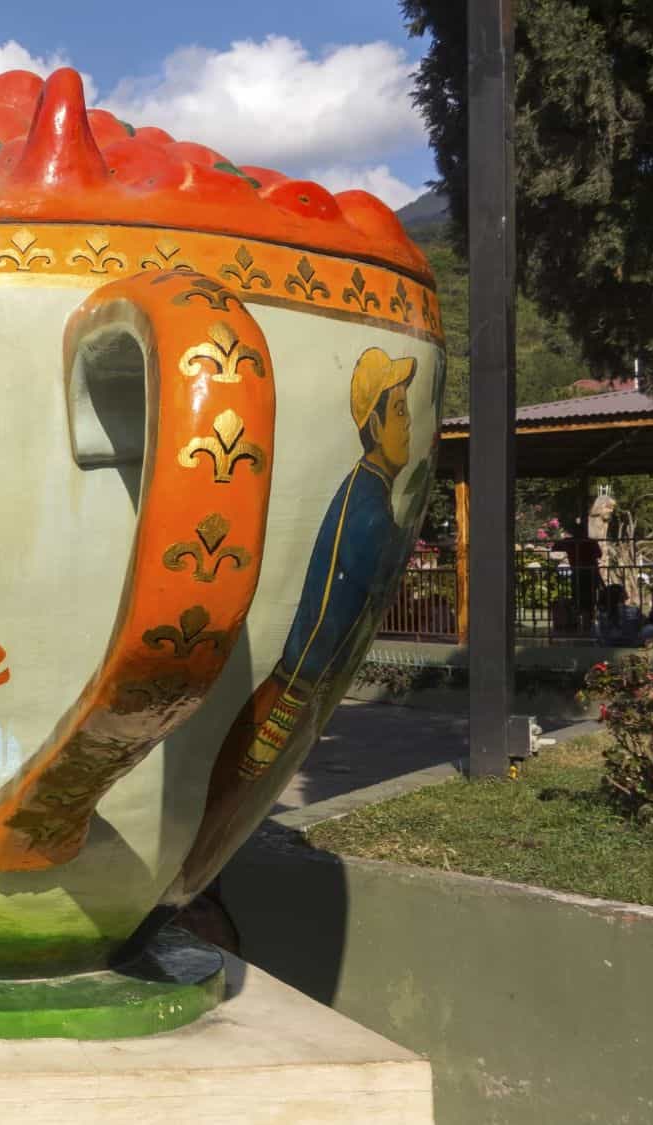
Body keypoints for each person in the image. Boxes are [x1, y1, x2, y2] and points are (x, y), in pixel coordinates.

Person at [177, 347, 418, 890]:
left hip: (305, 679)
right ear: (374, 423)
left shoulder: (373, 498)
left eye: (407, 411)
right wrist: (296, 691)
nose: (407, 424)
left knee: (230, 807)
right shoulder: (364, 501)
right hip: (296, 681)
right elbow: (331, 598)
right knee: (230, 798)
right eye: (399, 411)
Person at [555, 522, 604, 636]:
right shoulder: (589, 542)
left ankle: (582, 622)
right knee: (588, 598)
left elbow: (555, 547)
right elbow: (599, 554)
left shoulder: (570, 542)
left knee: (579, 597)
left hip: (580, 572)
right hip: (589, 573)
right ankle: (587, 623)